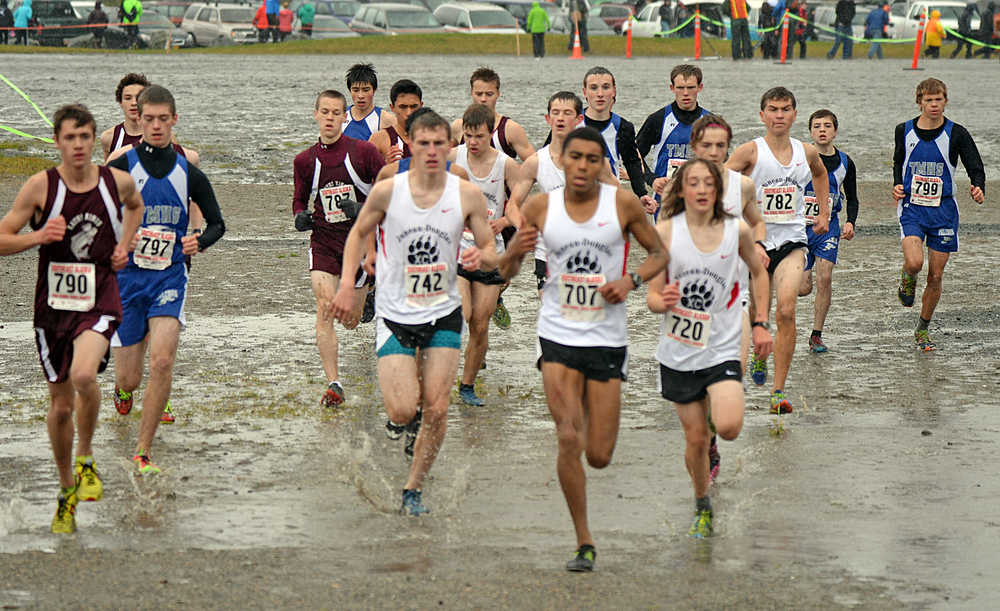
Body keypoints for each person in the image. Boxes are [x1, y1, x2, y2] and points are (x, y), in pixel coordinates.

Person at [498, 126, 667, 571]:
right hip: (557, 334)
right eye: (576, 158)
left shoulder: (623, 204)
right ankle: (583, 539)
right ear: (563, 161)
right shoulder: (540, 205)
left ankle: (593, 428)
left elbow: (660, 253)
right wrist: (513, 250)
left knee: (599, 454)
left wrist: (630, 281)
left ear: (601, 164)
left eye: (594, 159)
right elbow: (506, 270)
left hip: (606, 338)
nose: (584, 167)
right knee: (567, 436)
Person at [331, 109, 498, 516]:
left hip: (442, 314)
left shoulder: (466, 194)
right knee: (403, 409)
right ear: (412, 146)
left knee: (439, 408)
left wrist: (482, 255)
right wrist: (348, 287)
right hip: (395, 314)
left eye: (439, 144)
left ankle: (413, 488)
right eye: (422, 143)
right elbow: (357, 234)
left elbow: (491, 247)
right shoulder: (389, 190)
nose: (431, 151)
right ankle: (409, 420)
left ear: (449, 148)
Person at [0, 104, 143, 533]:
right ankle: (66, 487)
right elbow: (2, 237)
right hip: (53, 310)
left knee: (85, 377)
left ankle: (85, 461)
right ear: (58, 142)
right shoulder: (40, 188)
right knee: (60, 406)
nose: (78, 145)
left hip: (100, 300)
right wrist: (38, 237)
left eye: (85, 137)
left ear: (93, 139)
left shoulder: (114, 181)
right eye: (69, 138)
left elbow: (135, 205)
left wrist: (126, 243)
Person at [648, 159, 772, 539]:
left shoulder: (737, 230)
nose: (701, 190)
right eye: (693, 183)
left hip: (721, 345)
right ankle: (702, 501)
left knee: (730, 426)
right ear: (681, 191)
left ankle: (718, 427)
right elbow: (651, 296)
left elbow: (758, 271)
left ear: (718, 191)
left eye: (708, 184)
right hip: (679, 350)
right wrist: (662, 299)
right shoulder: (666, 232)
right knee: (695, 439)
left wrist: (761, 323)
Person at [106, 86, 226, 473]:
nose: (156, 126)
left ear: (175, 120)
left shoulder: (188, 173)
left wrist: (198, 241)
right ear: (138, 120)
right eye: (149, 119)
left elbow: (218, 223)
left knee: (161, 362)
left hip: (170, 278)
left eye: (163, 119)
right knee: (129, 374)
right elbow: (99, 214)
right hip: (128, 280)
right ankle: (123, 390)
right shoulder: (122, 168)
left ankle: (143, 450)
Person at [725, 86, 830, 415]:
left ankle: (778, 391)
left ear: (795, 115)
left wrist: (824, 212)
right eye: (773, 109)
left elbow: (820, 174)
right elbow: (718, 180)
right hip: (755, 245)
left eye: (785, 109)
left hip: (793, 242)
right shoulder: (749, 152)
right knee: (760, 311)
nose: (779, 115)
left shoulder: (807, 151)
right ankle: (759, 351)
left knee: (785, 310)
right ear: (762, 115)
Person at [292, 90, 384, 407]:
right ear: (314, 114)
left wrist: (362, 209)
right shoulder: (304, 160)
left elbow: (385, 189)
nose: (330, 118)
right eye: (325, 112)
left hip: (359, 246)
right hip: (323, 243)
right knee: (325, 307)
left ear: (345, 116)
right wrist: (299, 218)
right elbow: (298, 200)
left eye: (336, 113)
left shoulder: (364, 153)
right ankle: (334, 383)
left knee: (352, 320)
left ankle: (370, 290)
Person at [893, 78, 985, 351]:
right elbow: (899, 159)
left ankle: (922, 328)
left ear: (945, 101)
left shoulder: (957, 133)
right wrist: (897, 184)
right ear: (919, 101)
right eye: (928, 100)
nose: (934, 105)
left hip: (944, 210)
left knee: (935, 275)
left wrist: (978, 186)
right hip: (913, 208)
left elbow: (974, 165)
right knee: (914, 262)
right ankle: (907, 280)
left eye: (938, 100)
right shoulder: (904, 130)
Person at [446, 104, 522, 407]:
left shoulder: (507, 165)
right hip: (460, 250)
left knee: (480, 324)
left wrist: (505, 220)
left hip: (491, 253)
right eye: (467, 136)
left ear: (491, 133)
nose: (472, 142)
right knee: (462, 315)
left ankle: (467, 385)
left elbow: (520, 202)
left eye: (478, 136)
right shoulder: (453, 157)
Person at [507, 92, 617, 295]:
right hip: (547, 250)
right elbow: (512, 205)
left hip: (588, 249)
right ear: (548, 119)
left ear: (579, 120)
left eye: (567, 113)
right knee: (552, 315)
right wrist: (523, 229)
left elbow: (619, 200)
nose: (560, 118)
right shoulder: (535, 162)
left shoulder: (594, 160)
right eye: (555, 113)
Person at [797, 109, 858, 353]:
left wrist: (851, 221)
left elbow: (853, 198)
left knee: (825, 277)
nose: (822, 130)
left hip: (828, 228)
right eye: (817, 126)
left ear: (835, 130)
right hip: (800, 229)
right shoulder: (799, 158)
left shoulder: (845, 162)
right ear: (810, 132)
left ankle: (816, 335)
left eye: (827, 126)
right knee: (803, 288)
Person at [636, 64, 711, 218]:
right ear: (672, 88)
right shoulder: (657, 120)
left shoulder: (711, 122)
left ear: (700, 87)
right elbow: (633, 156)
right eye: (680, 87)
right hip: (666, 202)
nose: (685, 93)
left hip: (701, 200)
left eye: (691, 87)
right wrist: (652, 179)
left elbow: (724, 163)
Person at [451, 67, 536, 162]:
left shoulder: (510, 129)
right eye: (479, 94)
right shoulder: (458, 127)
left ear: (498, 94)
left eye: (489, 94)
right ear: (471, 93)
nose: (483, 99)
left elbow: (536, 167)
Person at [369, 79, 422, 164]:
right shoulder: (379, 139)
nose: (409, 113)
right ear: (392, 108)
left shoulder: (434, 137)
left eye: (413, 106)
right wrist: (386, 166)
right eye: (403, 107)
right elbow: (366, 176)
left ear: (421, 106)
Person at [343, 63, 396, 143]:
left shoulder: (387, 120)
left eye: (366, 90)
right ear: (350, 90)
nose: (360, 96)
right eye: (356, 90)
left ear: (374, 90)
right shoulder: (339, 116)